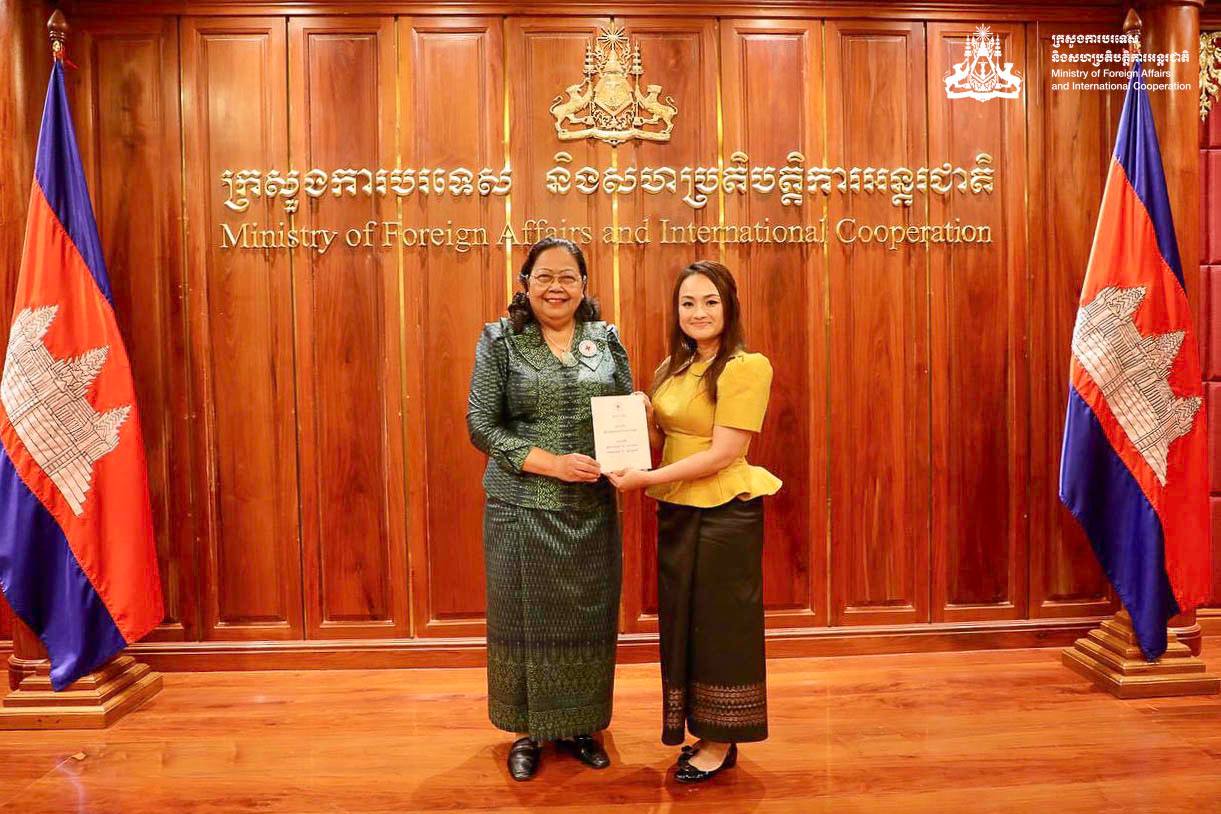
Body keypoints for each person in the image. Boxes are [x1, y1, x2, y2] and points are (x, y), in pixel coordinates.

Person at [607, 260, 780, 783]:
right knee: (684, 625)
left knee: (722, 630)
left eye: (710, 302)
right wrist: (641, 417)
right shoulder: (671, 369)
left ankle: (721, 738)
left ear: (729, 308)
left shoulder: (746, 366)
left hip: (726, 514)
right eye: (688, 303)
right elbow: (662, 442)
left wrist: (642, 478)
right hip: (678, 510)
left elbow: (725, 453)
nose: (698, 312)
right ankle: (702, 730)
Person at [466, 237, 632, 781]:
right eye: (544, 277)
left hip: (591, 509)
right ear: (525, 283)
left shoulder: (604, 340)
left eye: (568, 277)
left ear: (585, 286)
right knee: (524, 622)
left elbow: (624, 410)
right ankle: (526, 731)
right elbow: (481, 426)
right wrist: (550, 463)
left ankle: (583, 726)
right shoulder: (500, 341)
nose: (556, 287)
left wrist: (637, 427)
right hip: (521, 509)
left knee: (589, 620)